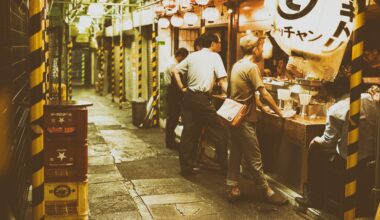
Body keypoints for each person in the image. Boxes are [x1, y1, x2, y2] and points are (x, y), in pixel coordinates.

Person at [295, 76, 377, 209]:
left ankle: (315, 198)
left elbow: (328, 141)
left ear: (329, 93)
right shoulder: (368, 98)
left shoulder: (337, 108)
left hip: (348, 160)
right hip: (371, 155)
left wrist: (315, 141)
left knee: (316, 150)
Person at [227, 34, 288, 205]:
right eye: (261, 46)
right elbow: (264, 92)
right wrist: (280, 112)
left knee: (236, 154)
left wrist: (261, 107)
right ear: (255, 49)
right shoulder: (251, 67)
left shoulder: (237, 65)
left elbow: (248, 92)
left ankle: (233, 187)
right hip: (244, 119)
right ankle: (266, 191)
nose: (262, 50)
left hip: (234, 117)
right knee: (255, 157)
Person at [172, 32, 229, 176]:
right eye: (219, 42)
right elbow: (222, 81)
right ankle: (225, 167)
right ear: (213, 44)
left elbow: (175, 70)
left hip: (189, 98)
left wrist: (182, 88)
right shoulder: (215, 56)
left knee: (189, 134)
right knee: (220, 131)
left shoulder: (192, 55)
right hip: (202, 100)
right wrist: (232, 97)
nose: (220, 45)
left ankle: (186, 169)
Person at [164, 48, 189, 150]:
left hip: (171, 92)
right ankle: (170, 142)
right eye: (183, 58)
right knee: (173, 117)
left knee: (172, 117)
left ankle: (170, 140)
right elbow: (176, 80)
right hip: (173, 92)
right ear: (180, 55)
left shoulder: (171, 61)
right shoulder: (173, 65)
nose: (183, 60)